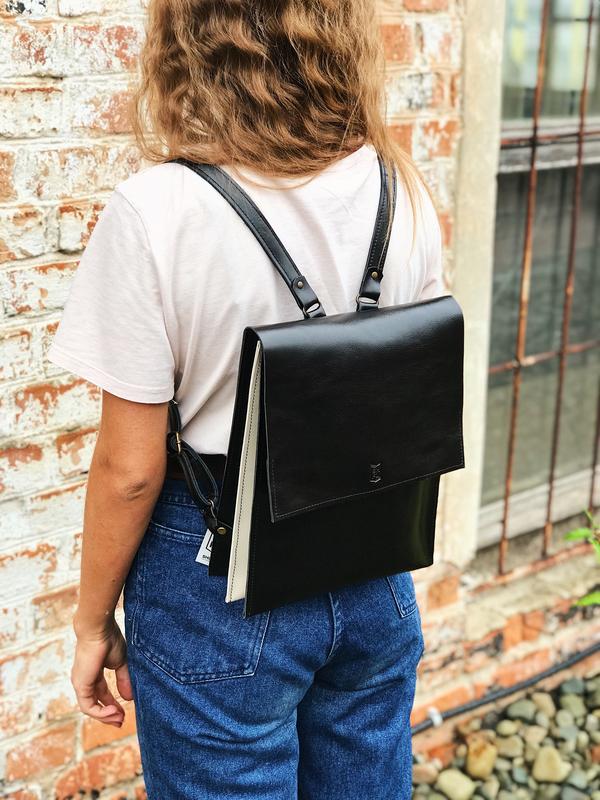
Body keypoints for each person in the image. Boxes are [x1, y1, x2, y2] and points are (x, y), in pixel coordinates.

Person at [47, 1, 446, 797]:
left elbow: (130, 471)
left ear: (186, 43)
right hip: (373, 566)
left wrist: (92, 621)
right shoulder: (397, 183)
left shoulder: (157, 210)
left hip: (217, 581)